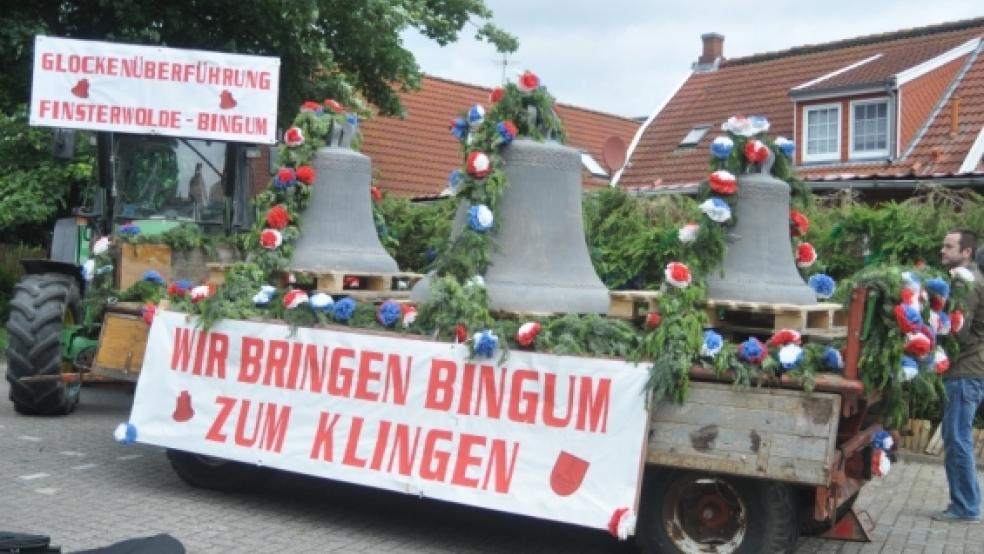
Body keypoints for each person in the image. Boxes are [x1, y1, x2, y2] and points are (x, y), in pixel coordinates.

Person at [934, 229, 984, 522]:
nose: (943, 250)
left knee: (957, 437)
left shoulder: (967, 283)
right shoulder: (973, 279)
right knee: (957, 436)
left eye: (949, 246)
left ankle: (966, 507)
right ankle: (963, 504)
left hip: (965, 371)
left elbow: (958, 331)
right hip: (968, 370)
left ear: (966, 253)